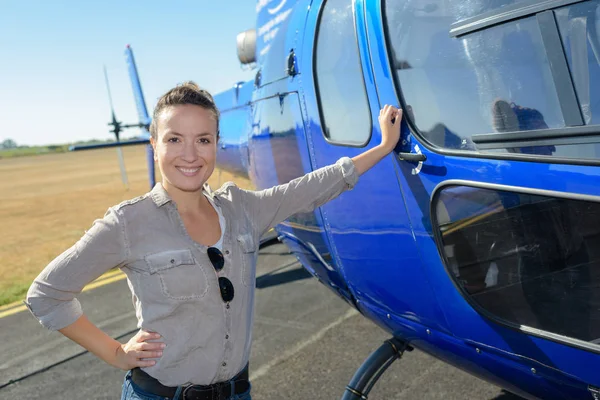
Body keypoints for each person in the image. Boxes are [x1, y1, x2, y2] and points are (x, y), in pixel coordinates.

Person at [25, 81, 402, 400]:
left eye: (202, 140)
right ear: (154, 143)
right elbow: (46, 294)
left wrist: (383, 147)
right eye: (174, 139)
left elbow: (310, 189)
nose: (190, 155)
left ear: (216, 143)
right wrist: (117, 353)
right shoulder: (127, 222)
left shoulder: (242, 209)